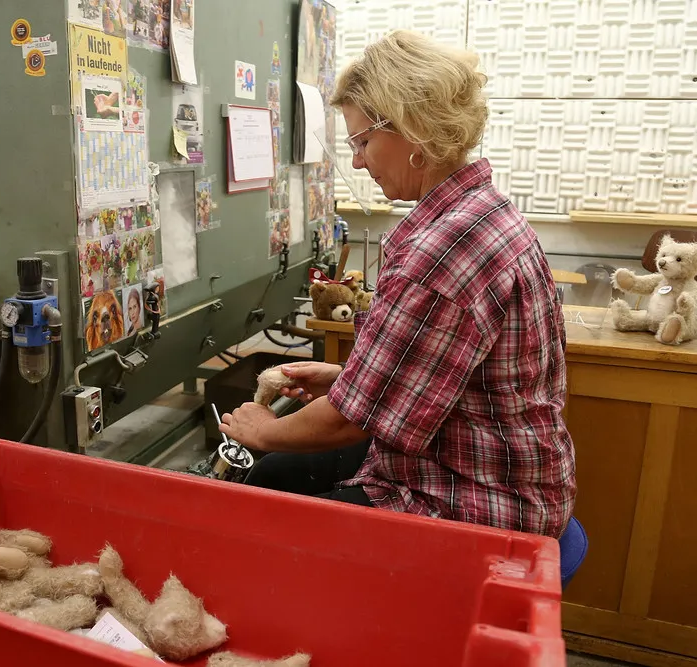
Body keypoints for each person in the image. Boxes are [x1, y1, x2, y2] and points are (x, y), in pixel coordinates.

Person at [220, 30, 576, 539]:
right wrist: (348, 376)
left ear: (412, 129)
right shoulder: (482, 211)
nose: (358, 161)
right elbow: (441, 368)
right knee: (275, 478)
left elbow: (348, 423)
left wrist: (267, 431)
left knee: (263, 513)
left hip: (478, 501)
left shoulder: (440, 251)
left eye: (362, 141)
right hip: (500, 473)